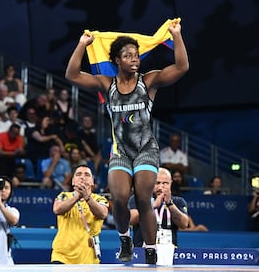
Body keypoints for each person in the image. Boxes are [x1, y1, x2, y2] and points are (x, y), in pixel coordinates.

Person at [65, 20, 188, 263]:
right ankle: (125, 239)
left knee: (143, 198)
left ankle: (150, 248)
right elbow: (71, 75)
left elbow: (182, 67)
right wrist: (82, 44)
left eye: (137, 55)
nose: (135, 59)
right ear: (117, 61)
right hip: (120, 151)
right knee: (119, 199)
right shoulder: (106, 83)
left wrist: (176, 35)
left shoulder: (149, 81)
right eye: (128, 55)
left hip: (146, 150)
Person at [51, 165, 108, 264]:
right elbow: (57, 209)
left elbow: (103, 214)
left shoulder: (100, 199)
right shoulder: (64, 196)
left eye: (87, 174)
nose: (82, 177)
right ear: (73, 181)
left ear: (92, 182)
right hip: (62, 257)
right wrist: (76, 197)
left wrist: (87, 198)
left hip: (88, 259)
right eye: (78, 174)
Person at [129, 168, 189, 248]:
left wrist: (170, 204)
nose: (160, 187)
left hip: (169, 251)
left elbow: (184, 224)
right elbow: (131, 219)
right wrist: (152, 206)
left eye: (165, 183)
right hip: (143, 249)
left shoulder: (178, 201)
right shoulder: (138, 198)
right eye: (157, 183)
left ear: (171, 183)